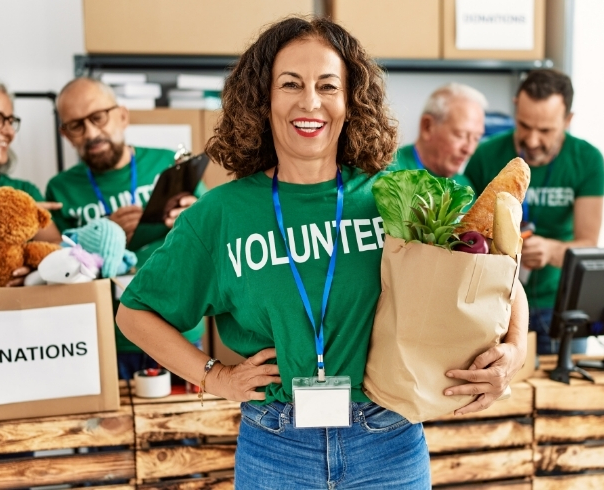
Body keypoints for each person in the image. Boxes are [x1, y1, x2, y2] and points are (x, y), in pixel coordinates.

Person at [116, 17, 528, 489]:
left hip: (388, 439)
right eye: (290, 84)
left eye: (327, 86)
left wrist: (512, 352)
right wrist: (215, 377)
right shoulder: (222, 214)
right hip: (276, 447)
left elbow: (500, 280)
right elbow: (135, 313)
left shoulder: (398, 197)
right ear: (263, 98)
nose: (310, 101)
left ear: (350, 102)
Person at [46, 77, 205, 380]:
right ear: (65, 135)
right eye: (77, 125)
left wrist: (190, 218)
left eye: (98, 117)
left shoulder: (169, 165)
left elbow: (213, 238)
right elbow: (55, 267)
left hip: (176, 330)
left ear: (122, 115)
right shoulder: (60, 189)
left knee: (183, 427)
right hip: (102, 337)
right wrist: (103, 234)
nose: (91, 132)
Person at [465, 69, 604, 355]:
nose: (531, 140)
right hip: (496, 302)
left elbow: (589, 246)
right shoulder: (485, 156)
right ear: (516, 106)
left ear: (568, 121)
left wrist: (551, 251)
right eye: (524, 125)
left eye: (545, 131)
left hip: (560, 306)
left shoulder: (588, 160)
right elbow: (467, 235)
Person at [0, 74, 61, 287]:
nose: (10, 132)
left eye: (11, 121)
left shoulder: (22, 193)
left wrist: (35, 270)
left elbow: (58, 248)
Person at [389, 83, 486, 190]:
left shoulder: (465, 188)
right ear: (428, 126)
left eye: (476, 138)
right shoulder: (388, 173)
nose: (469, 150)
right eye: (460, 135)